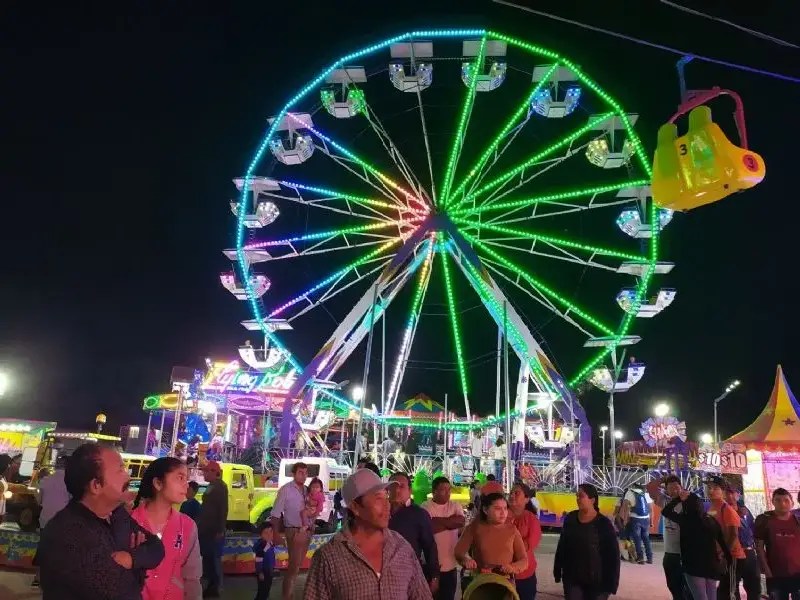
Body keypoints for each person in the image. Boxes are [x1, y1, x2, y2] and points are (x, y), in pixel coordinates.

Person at [38, 443, 165, 599]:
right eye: (120, 470)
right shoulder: (70, 533)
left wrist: (131, 558)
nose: (128, 477)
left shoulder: (115, 516)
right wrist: (139, 568)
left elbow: (156, 547)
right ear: (96, 485)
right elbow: (123, 593)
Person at [303, 468, 432, 600]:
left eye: (386, 497)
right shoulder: (329, 557)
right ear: (355, 507)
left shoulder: (402, 548)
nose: (387, 505)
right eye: (378, 499)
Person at [131, 457, 203, 600]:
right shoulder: (130, 521)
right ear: (158, 483)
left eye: (186, 479)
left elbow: (192, 577)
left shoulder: (188, 526)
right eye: (180, 478)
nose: (186, 485)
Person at [554, 483, 620, 600]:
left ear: (592, 500)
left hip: (597, 581)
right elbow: (562, 546)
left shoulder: (603, 524)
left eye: (581, 496)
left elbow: (613, 555)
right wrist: (557, 569)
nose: (578, 499)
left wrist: (612, 583)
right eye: (577, 496)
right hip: (572, 578)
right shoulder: (570, 519)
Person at [662, 490, 732, 600]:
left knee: (700, 596)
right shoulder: (710, 520)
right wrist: (727, 560)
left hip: (693, 564)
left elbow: (665, 511)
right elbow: (723, 542)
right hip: (711, 564)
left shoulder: (686, 520)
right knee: (711, 596)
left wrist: (678, 498)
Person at [455, 491, 527, 587]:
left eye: (505, 508)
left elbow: (524, 560)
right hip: (479, 582)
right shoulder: (474, 527)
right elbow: (458, 552)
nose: (503, 513)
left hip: (505, 583)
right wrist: (466, 560)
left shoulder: (512, 530)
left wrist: (512, 567)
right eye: (498, 509)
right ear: (485, 510)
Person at [389, 471, 440, 594]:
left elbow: (430, 547)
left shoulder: (419, 514)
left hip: (409, 575)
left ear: (410, 490)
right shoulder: (378, 513)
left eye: (401, 486)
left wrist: (434, 576)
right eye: (393, 485)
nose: (397, 490)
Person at [271, 461, 311, 600]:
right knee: (293, 568)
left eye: (305, 473)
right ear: (294, 474)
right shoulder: (286, 489)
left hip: (306, 531)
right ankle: (286, 596)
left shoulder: (307, 490)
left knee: (297, 566)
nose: (304, 476)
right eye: (300, 472)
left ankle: (289, 595)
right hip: (293, 531)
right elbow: (275, 514)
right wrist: (275, 533)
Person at [422, 476, 465, 600]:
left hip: (451, 564)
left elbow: (461, 522)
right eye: (443, 490)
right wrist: (450, 522)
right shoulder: (425, 507)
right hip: (431, 564)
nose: (447, 493)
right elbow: (430, 527)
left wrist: (437, 522)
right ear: (434, 491)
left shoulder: (455, 505)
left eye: (449, 490)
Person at [754, 487, 800, 600]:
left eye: (786, 500)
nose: (782, 504)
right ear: (772, 501)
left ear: (792, 502)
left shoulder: (798, 520)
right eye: (778, 500)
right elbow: (759, 548)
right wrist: (766, 570)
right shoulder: (764, 521)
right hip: (775, 574)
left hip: (798, 573)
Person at [705, 477, 746, 600]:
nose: (711, 490)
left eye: (715, 488)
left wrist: (724, 556)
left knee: (730, 592)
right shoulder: (711, 508)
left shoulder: (726, 509)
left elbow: (734, 534)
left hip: (732, 557)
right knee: (723, 592)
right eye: (709, 487)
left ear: (723, 491)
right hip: (720, 556)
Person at [647, 476, 685, 600]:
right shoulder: (665, 500)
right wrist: (664, 479)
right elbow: (650, 487)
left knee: (686, 588)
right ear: (666, 490)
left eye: (676, 487)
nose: (674, 490)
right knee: (673, 586)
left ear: (681, 487)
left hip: (684, 553)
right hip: (669, 553)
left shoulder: (688, 502)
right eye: (670, 487)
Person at [197, 460, 228, 598]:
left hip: (213, 531)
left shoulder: (220, 486)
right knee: (208, 559)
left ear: (213, 472)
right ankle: (211, 585)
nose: (204, 474)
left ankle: (216, 587)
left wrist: (220, 529)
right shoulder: (212, 486)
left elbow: (223, 509)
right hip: (207, 530)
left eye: (206, 471)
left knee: (214, 559)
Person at [724, 485, 760, 600]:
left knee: (754, 584)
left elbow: (752, 528)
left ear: (738, 495)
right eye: (727, 493)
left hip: (749, 552)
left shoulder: (745, 510)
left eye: (733, 493)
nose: (730, 496)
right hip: (734, 553)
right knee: (733, 587)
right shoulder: (723, 510)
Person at [509, 482, 543, 600]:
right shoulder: (500, 515)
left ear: (527, 499)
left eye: (517, 493)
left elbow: (530, 544)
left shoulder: (531, 519)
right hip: (500, 574)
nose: (512, 495)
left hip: (524, 575)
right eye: (511, 493)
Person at [623, 484, 653, 564]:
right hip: (646, 519)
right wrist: (651, 521)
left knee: (637, 539)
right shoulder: (645, 493)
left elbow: (626, 508)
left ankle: (640, 558)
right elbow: (650, 509)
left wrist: (625, 520)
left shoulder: (629, 492)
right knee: (646, 539)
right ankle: (650, 558)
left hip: (635, 519)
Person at [253, 522, 276, 600]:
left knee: (266, 590)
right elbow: (258, 560)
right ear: (261, 535)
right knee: (263, 591)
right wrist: (259, 572)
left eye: (271, 531)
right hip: (264, 571)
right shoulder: (262, 545)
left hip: (269, 570)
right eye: (266, 533)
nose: (269, 534)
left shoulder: (269, 543)